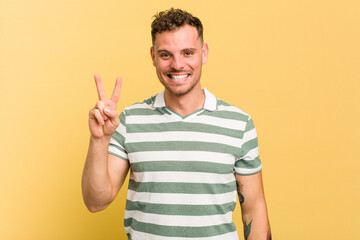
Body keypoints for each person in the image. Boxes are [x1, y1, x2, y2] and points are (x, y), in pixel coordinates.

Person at [82, 8, 271, 240]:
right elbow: (95, 202)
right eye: (165, 55)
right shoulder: (128, 121)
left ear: (204, 53)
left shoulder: (239, 124)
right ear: (153, 56)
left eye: (188, 53)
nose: (177, 64)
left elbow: (254, 209)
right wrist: (99, 140)